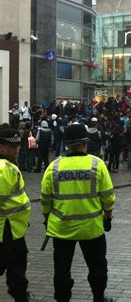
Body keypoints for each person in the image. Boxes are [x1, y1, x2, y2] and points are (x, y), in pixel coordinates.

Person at [40, 123, 116, 302]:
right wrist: (108, 216)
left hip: (62, 229)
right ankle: (98, 297)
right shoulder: (96, 164)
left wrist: (46, 219)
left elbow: (45, 199)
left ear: (67, 145)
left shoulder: (54, 167)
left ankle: (62, 298)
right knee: (97, 267)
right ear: (85, 143)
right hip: (92, 229)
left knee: (62, 269)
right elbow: (108, 196)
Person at [0, 125, 32, 302]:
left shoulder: (8, 166)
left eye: (18, 146)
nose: (17, 150)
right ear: (1, 147)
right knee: (17, 277)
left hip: (11, 229)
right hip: (7, 232)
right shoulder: (4, 168)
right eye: (12, 147)